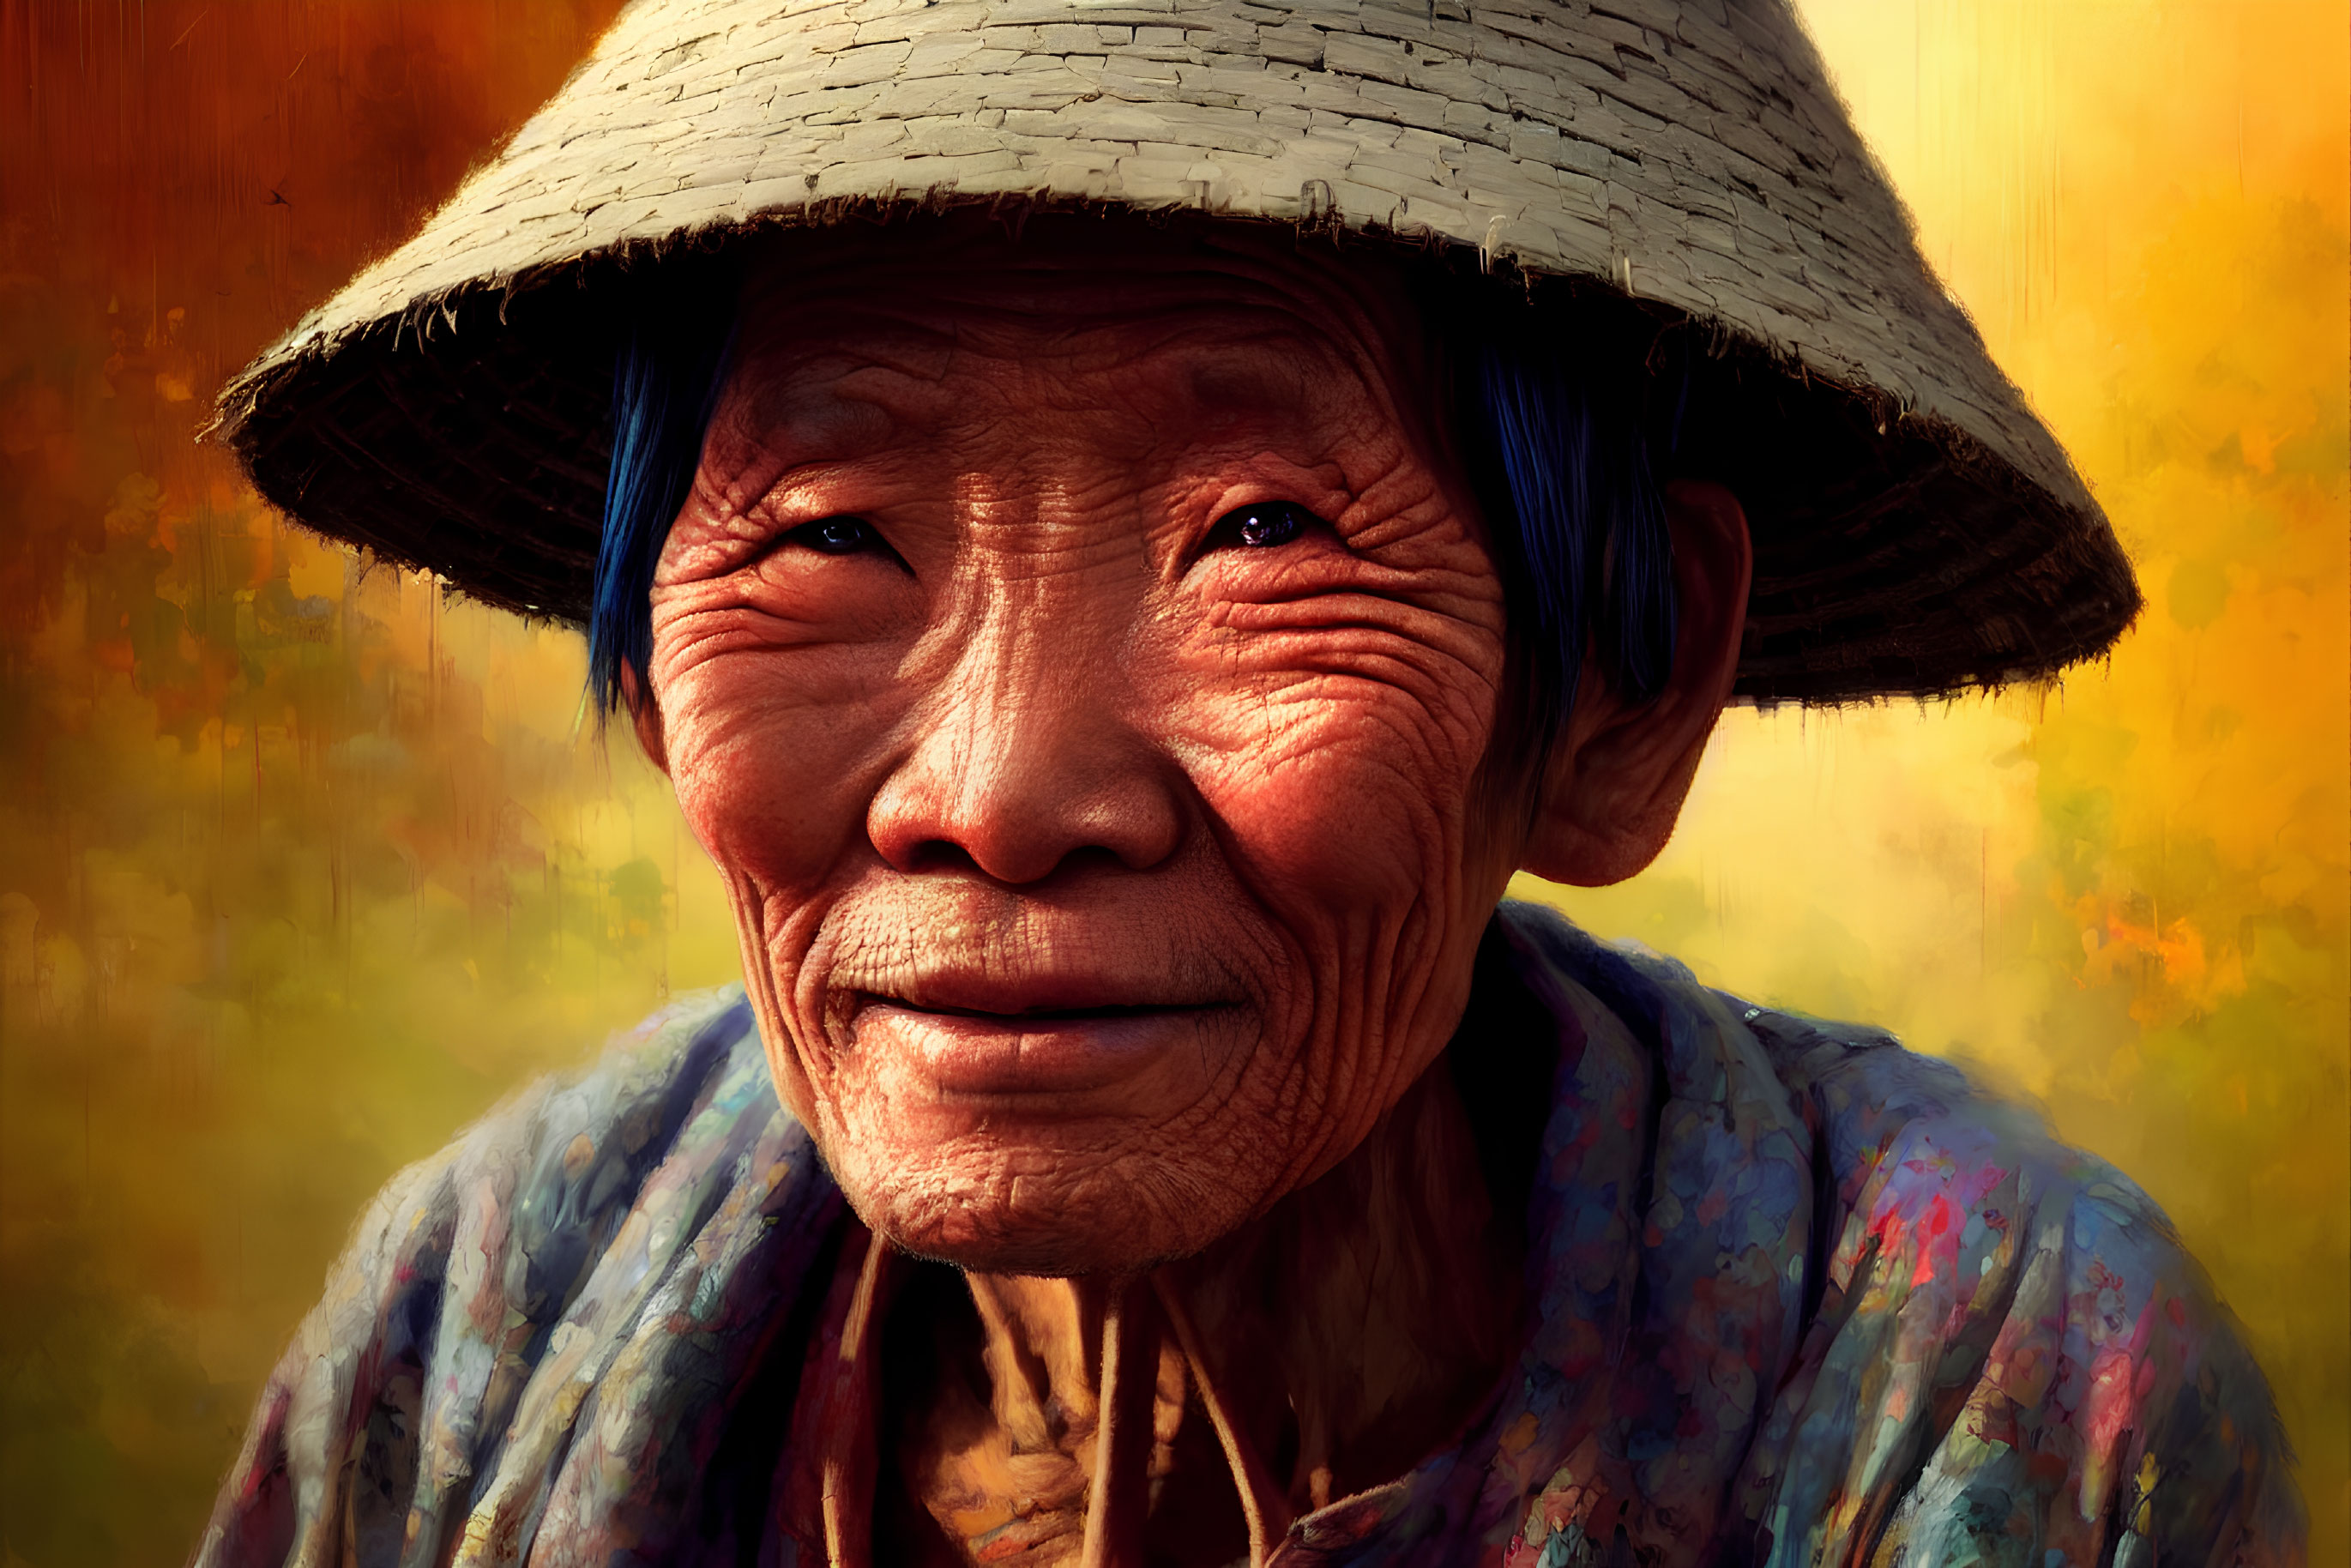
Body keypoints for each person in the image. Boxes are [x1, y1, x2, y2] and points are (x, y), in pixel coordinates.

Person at [193, 1, 2303, 1565]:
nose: (998, 796)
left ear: (1623, 678)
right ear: (652, 660)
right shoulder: (482, 1316)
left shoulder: (1997, 1385)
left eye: (1260, 533)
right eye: (830, 532)